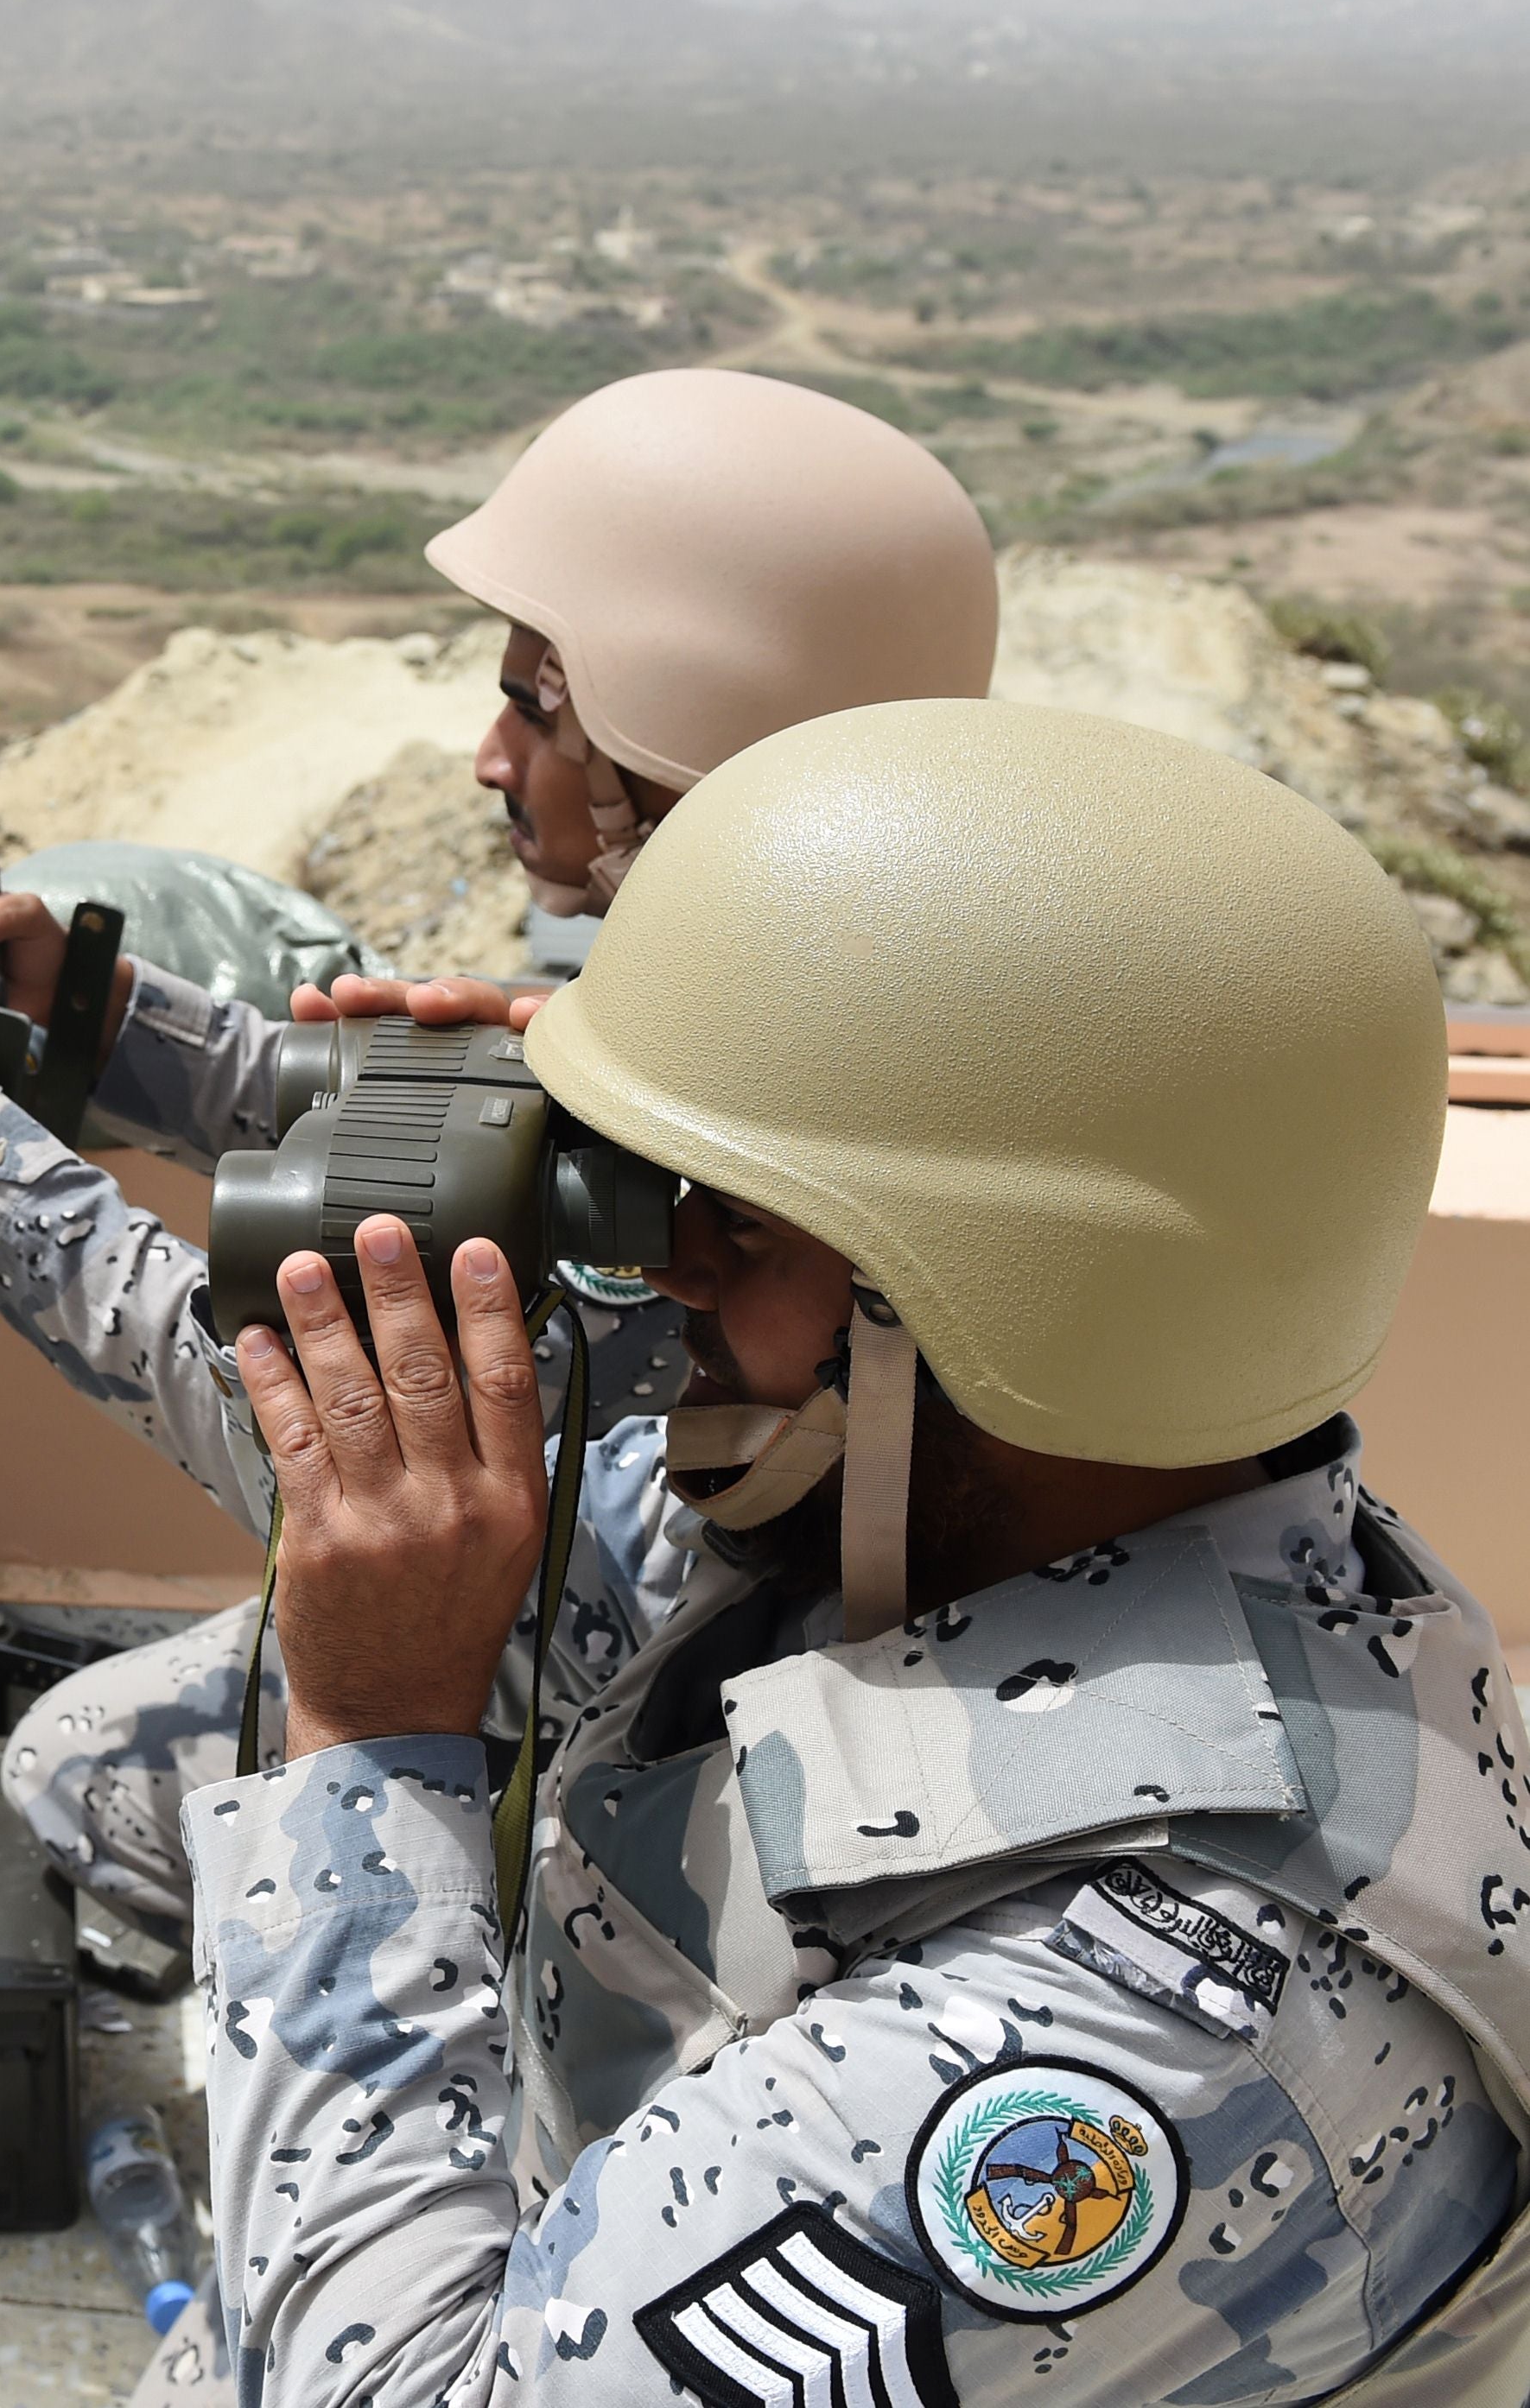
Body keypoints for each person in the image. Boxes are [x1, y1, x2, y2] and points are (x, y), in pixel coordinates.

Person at [186, 696, 1530, 2403]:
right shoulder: (1024, 1527)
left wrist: (368, 1738)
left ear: (981, 1314)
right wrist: (580, 1123)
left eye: (730, 1227)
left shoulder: (1128, 2041)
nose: (671, 1273)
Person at [0, 368, 999, 1939]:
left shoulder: (779, 1138)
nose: (493, 757)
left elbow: (351, 1448)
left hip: (698, 1715)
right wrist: (100, 1019)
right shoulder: (852, 987)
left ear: (672, 751)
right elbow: (399, 1131)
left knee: (79, 1773)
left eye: (541, 705)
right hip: (699, 1629)